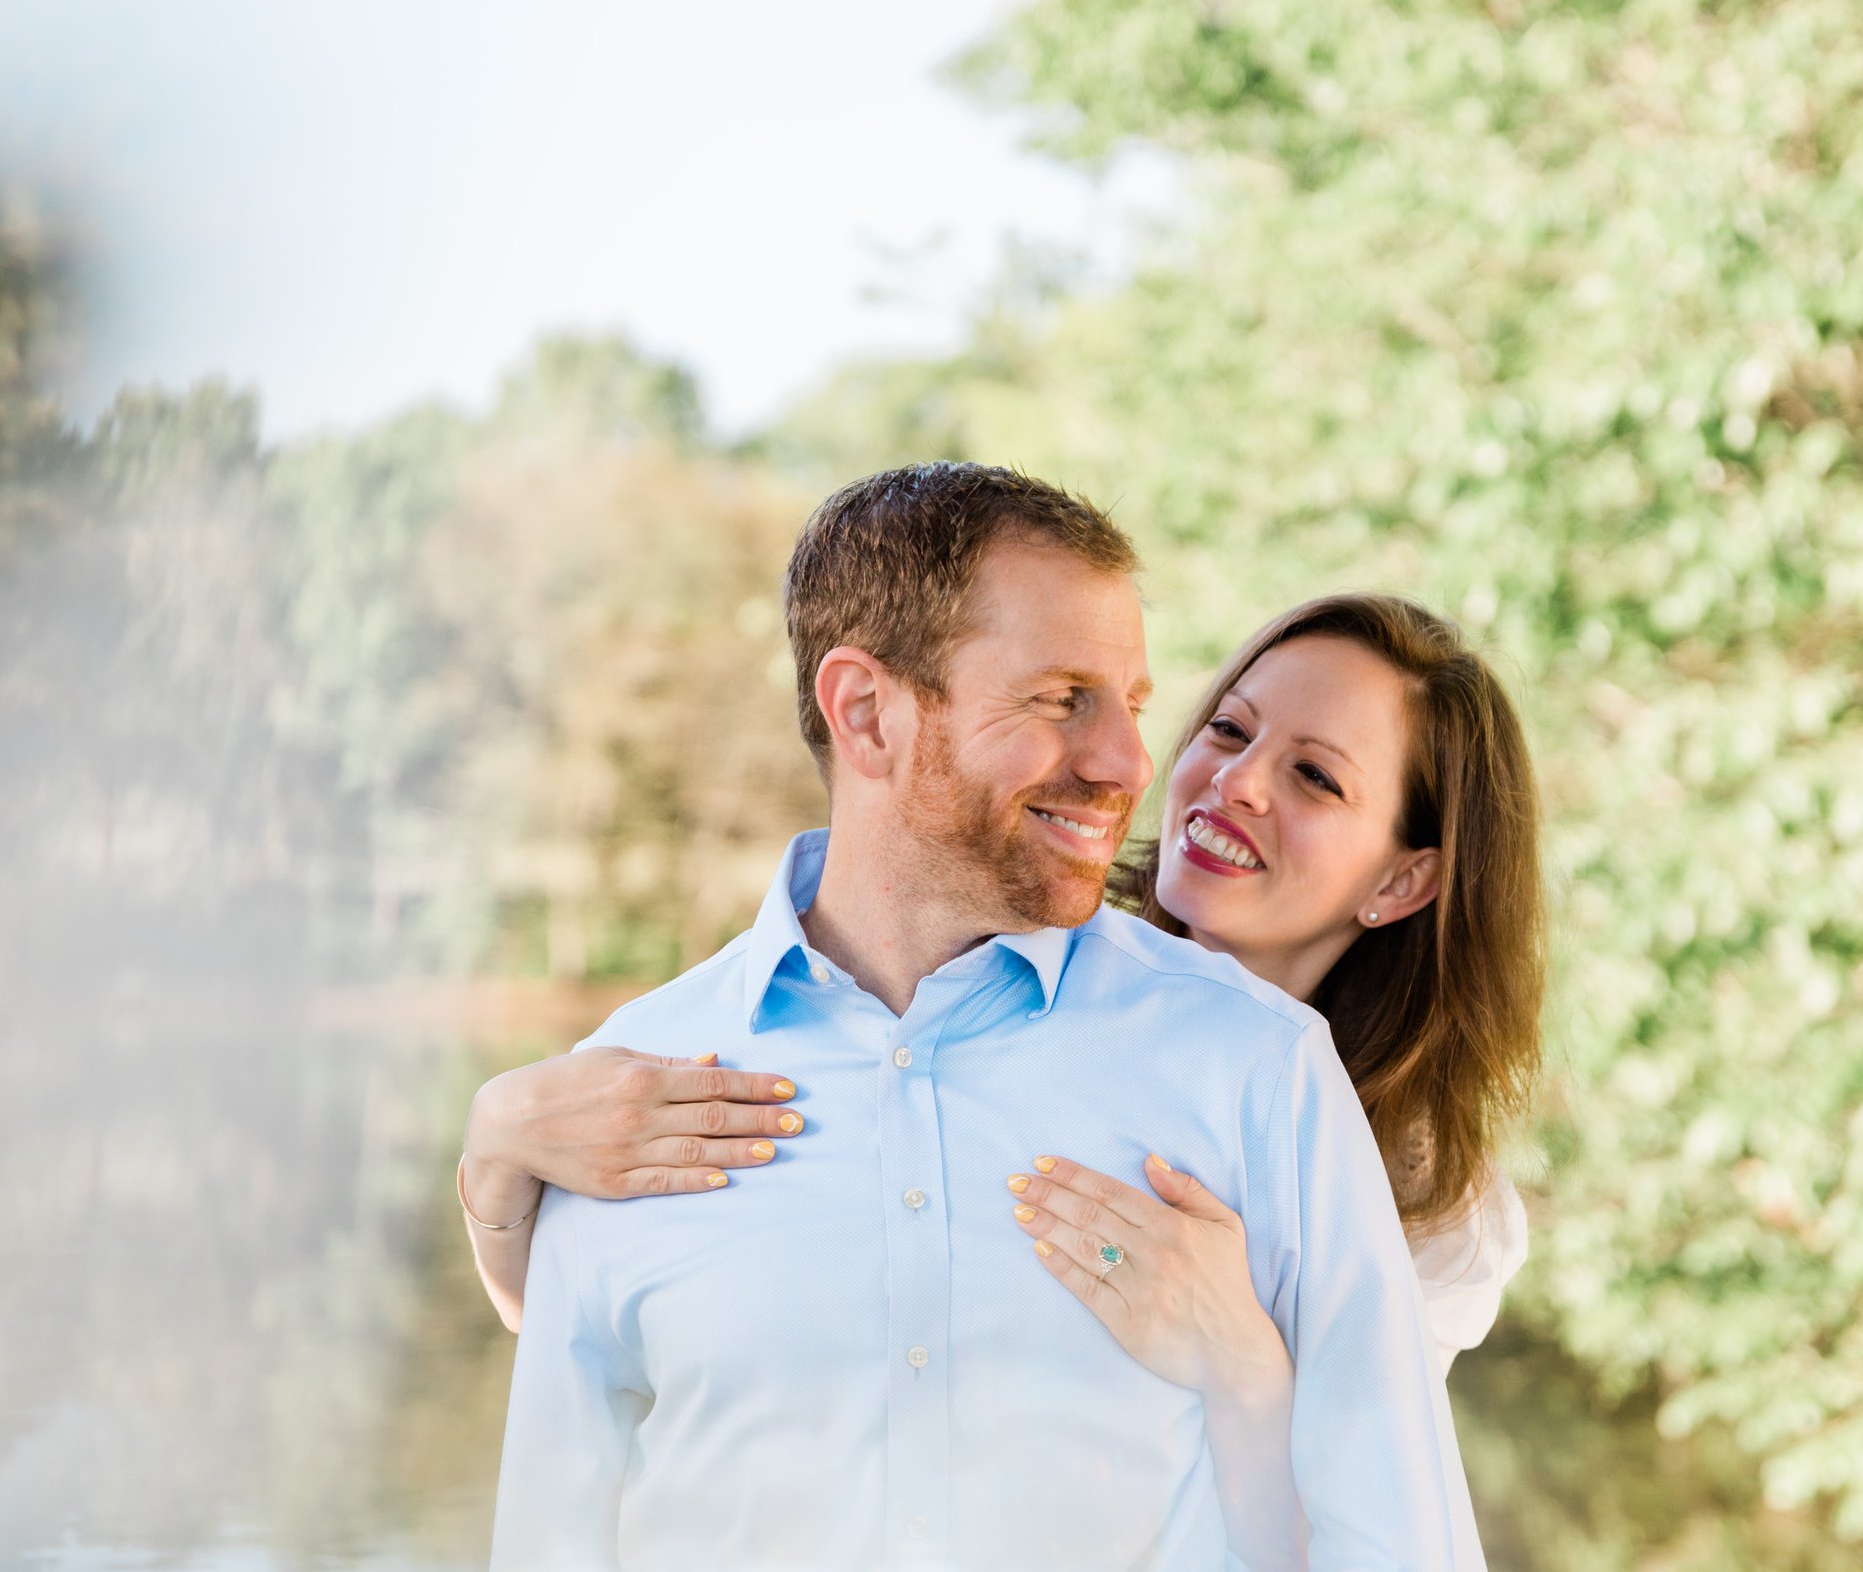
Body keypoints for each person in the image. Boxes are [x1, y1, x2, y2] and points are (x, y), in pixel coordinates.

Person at [482, 463, 1490, 1572]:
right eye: (1064, 699)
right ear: (866, 712)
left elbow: (1398, 1539)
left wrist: (1248, 1369)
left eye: (1133, 704)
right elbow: (552, 1527)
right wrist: (497, 1150)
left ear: (1405, 879)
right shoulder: (620, 1096)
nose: (1132, 765)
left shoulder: (1268, 1076)